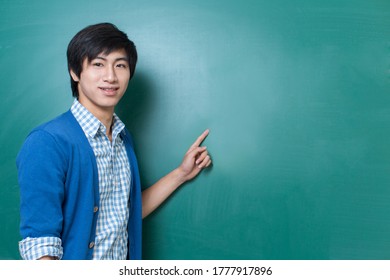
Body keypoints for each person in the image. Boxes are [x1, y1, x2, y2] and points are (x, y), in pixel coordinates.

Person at [16, 22, 212, 260]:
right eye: (98, 64)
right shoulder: (47, 142)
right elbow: (40, 244)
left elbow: (123, 213)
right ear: (75, 72)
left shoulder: (121, 137)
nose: (110, 76)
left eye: (120, 65)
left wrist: (181, 173)